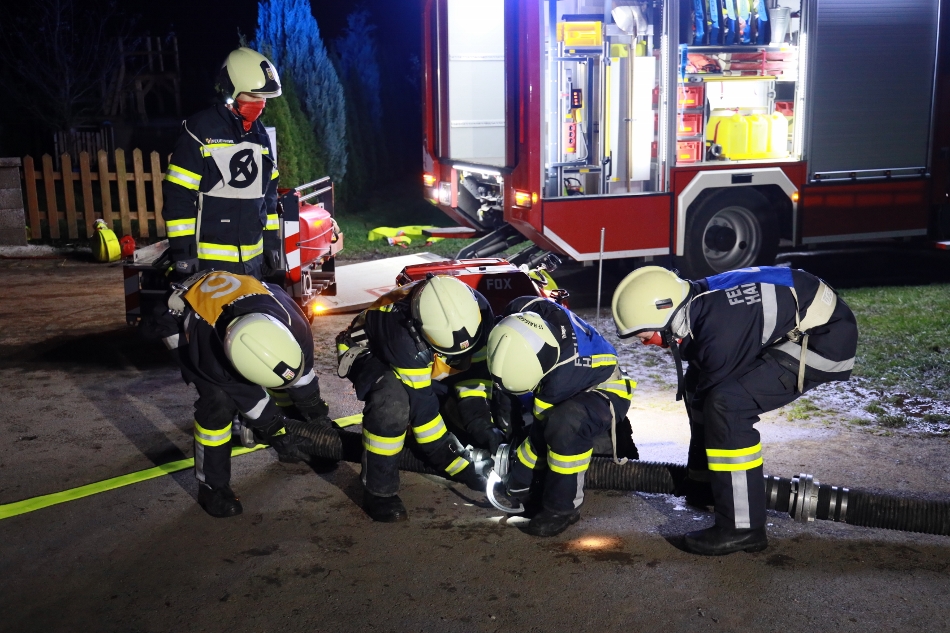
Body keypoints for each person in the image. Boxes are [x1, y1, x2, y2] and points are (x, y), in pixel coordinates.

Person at [611, 265, 858, 555]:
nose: (645, 343)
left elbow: (720, 386)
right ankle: (704, 483)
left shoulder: (720, 329)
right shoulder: (698, 304)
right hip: (805, 322)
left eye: (644, 335)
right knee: (698, 385)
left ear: (664, 314)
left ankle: (743, 528)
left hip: (825, 341)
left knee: (728, 406)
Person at [168, 269, 331, 518]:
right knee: (218, 402)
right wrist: (275, 431)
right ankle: (212, 487)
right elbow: (250, 399)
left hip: (236, 299)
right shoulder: (210, 354)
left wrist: (317, 416)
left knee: (286, 389)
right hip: (184, 319)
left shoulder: (293, 320)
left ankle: (301, 439)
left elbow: (303, 374)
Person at [336, 275, 494, 523]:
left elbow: (475, 373)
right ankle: (379, 491)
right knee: (393, 402)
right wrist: (457, 466)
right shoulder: (400, 334)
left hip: (428, 358)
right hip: (369, 353)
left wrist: (481, 423)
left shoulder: (478, 311)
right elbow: (424, 416)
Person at [486, 297, 637, 537]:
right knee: (552, 424)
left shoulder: (559, 380)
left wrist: (519, 482)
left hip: (607, 389)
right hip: (578, 377)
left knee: (564, 425)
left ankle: (563, 508)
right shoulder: (524, 309)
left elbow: (539, 438)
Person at [162, 47, 283, 282]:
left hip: (252, 266)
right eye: (254, 96)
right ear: (231, 91)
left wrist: (270, 244)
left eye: (263, 98)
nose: (261, 104)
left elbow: (268, 197)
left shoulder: (259, 135)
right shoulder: (199, 131)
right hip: (208, 266)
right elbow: (178, 196)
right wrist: (184, 252)